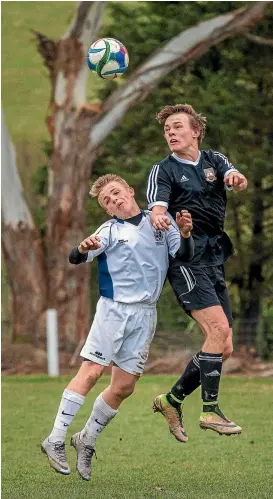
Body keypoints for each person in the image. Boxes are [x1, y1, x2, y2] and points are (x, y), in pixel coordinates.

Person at [41, 173, 194, 480]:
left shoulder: (160, 222)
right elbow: (75, 257)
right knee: (92, 371)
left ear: (129, 191)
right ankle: (55, 439)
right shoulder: (109, 230)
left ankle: (86, 439)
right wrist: (83, 248)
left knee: (123, 387)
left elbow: (184, 256)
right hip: (114, 311)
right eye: (107, 201)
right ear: (108, 211)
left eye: (115, 193)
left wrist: (187, 233)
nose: (113, 200)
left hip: (145, 315)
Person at [146, 104, 248, 441]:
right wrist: (160, 215)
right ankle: (210, 411)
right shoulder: (163, 170)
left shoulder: (214, 160)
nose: (171, 133)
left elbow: (233, 177)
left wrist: (235, 177)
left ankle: (171, 400)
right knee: (217, 330)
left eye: (177, 127)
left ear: (195, 131)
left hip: (215, 257)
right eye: (166, 130)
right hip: (186, 259)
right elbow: (157, 205)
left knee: (225, 345)